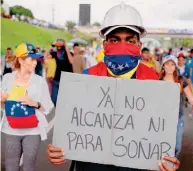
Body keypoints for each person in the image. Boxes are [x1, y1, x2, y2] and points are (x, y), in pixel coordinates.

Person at [47, 2, 180, 171]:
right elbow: (70, 133)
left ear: (139, 46)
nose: (122, 45)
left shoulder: (152, 80)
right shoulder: (85, 78)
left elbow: (157, 134)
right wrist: (58, 150)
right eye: (115, 40)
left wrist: (166, 160)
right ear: (105, 45)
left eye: (130, 40)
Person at [0, 43, 54, 171]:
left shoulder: (39, 81)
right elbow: (4, 107)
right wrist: (2, 101)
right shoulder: (7, 78)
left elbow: (48, 107)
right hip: (10, 129)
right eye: (32, 59)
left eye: (36, 59)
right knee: (11, 167)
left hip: (33, 131)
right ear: (20, 60)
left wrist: (34, 103)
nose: (35, 63)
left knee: (29, 167)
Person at [160, 55, 193, 157]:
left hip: (178, 118)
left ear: (175, 67)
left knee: (177, 147)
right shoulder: (158, 81)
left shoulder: (181, 80)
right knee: (162, 144)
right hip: (162, 119)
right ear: (163, 66)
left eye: (172, 64)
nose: (170, 67)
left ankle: (172, 165)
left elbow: (191, 98)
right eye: (167, 64)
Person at [44, 39, 74, 106]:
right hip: (56, 78)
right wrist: (51, 46)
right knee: (53, 99)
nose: (58, 47)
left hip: (66, 79)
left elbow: (71, 61)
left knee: (64, 99)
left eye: (60, 44)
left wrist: (67, 48)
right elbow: (45, 58)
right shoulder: (54, 54)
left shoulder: (69, 53)